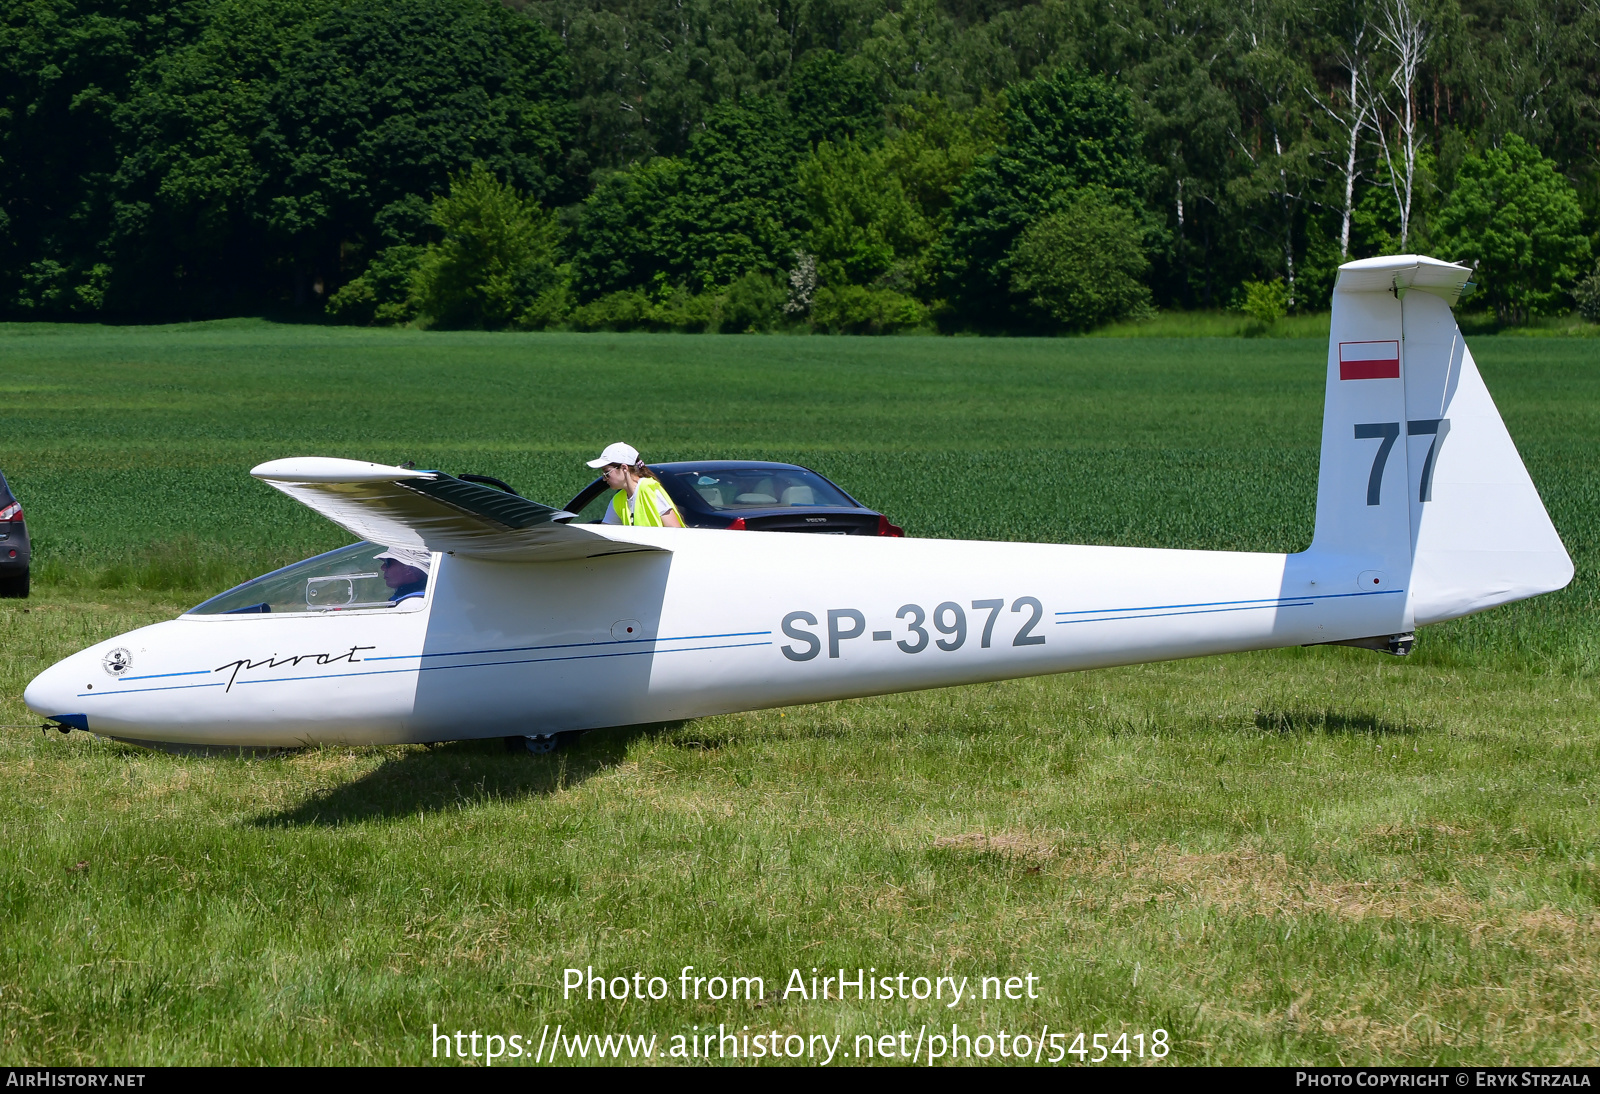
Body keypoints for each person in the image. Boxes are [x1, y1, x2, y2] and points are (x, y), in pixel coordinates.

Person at [586, 442, 682, 528]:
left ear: (624, 468)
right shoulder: (618, 500)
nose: (604, 478)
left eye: (607, 472)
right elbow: (605, 533)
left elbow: (675, 530)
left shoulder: (647, 489)